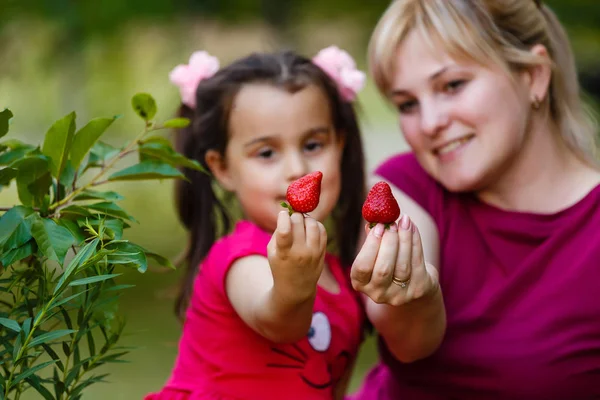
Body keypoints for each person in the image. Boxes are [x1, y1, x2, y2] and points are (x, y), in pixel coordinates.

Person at [348, 0, 600, 399]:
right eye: (407, 104)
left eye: (452, 86)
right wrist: (414, 297)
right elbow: (407, 340)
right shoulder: (407, 184)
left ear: (534, 76)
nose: (430, 123)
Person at [145, 46, 368, 400]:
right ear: (222, 168)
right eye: (266, 153)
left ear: (339, 145)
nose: (297, 168)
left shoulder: (344, 282)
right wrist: (292, 286)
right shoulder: (241, 258)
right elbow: (277, 320)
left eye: (313, 144)